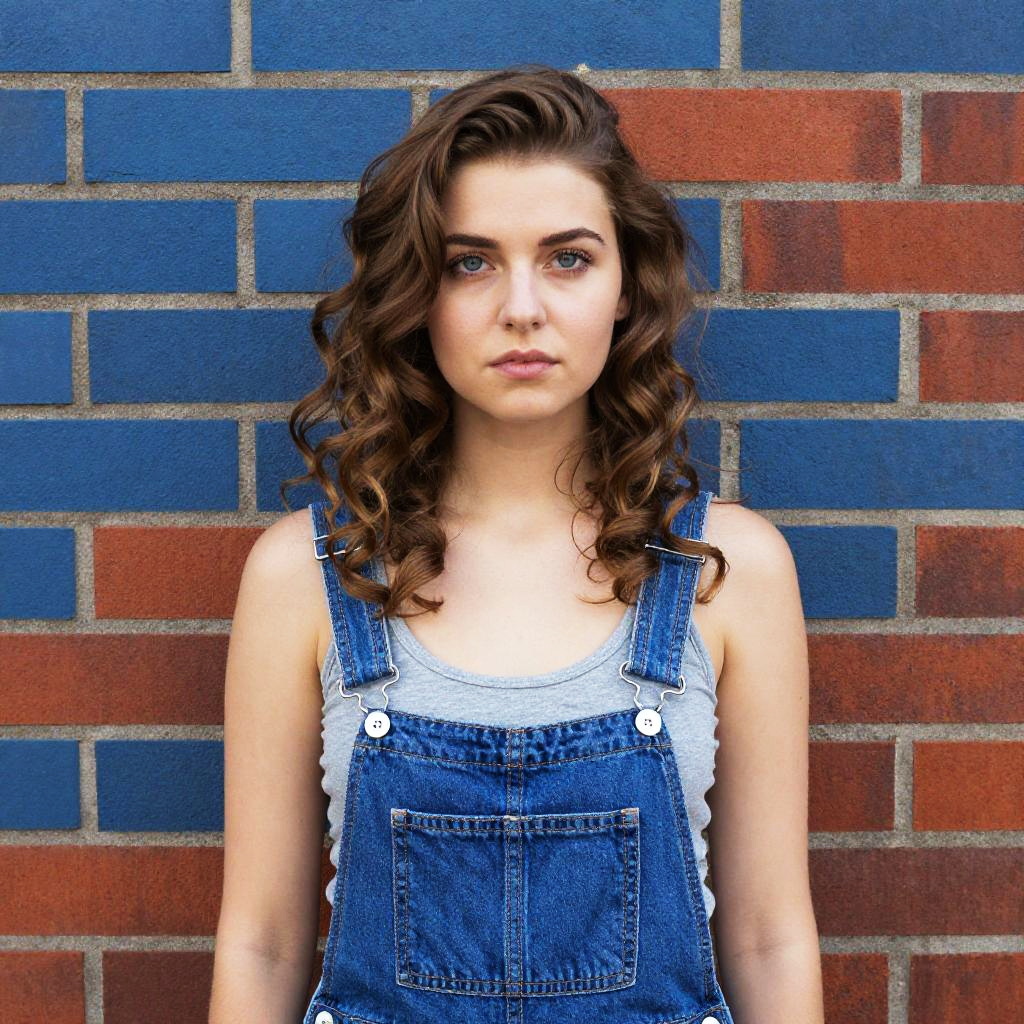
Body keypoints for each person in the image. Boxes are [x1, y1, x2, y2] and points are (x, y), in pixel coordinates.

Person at [208, 64, 824, 1024]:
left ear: (626, 287)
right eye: (471, 261)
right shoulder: (313, 576)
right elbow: (265, 941)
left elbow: (767, 936)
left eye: (568, 257)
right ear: (420, 294)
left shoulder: (725, 575)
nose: (523, 307)